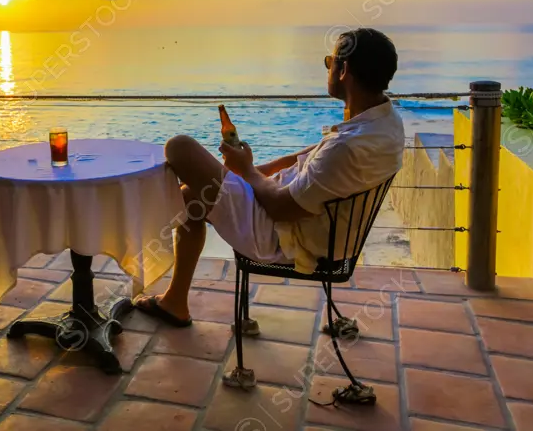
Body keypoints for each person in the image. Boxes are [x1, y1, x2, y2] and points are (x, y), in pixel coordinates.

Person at [133, 27, 405, 326]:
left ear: (344, 70)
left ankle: (133, 237)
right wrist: (244, 171)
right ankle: (175, 302)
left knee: (180, 147)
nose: (327, 69)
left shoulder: (348, 148)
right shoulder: (382, 124)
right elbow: (301, 157)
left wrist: (246, 170)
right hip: (312, 226)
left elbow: (279, 207)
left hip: (283, 238)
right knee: (189, 197)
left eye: (330, 62)